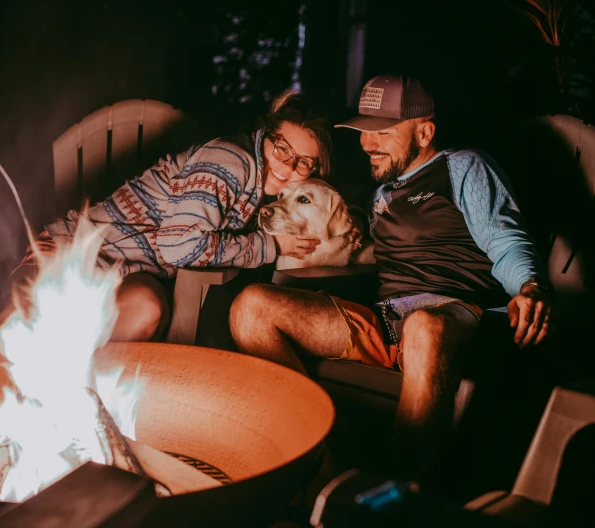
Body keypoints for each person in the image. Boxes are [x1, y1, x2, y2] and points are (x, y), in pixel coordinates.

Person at [229, 74, 554, 481]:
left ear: (424, 132)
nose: (367, 143)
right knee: (251, 308)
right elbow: (369, 253)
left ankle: (395, 497)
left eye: (381, 131)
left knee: (423, 326)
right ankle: (316, 464)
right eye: (362, 131)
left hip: (455, 318)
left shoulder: (462, 167)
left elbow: (504, 238)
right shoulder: (381, 195)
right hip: (387, 323)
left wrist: (530, 286)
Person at [0, 90, 332, 349]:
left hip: (132, 270)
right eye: (281, 148)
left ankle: (64, 384)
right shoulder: (230, 162)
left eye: (303, 162)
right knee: (22, 324)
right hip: (77, 252)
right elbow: (180, 247)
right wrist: (269, 246)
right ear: (265, 135)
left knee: (148, 311)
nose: (287, 166)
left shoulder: (260, 189)